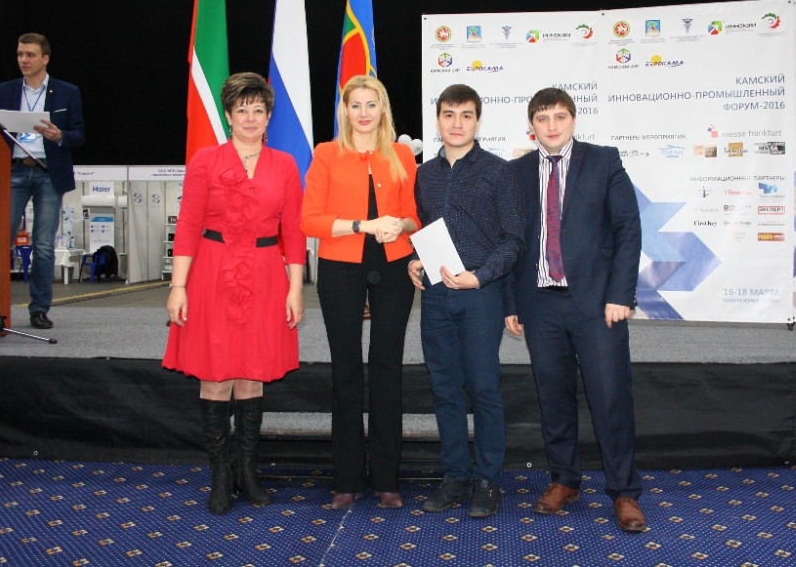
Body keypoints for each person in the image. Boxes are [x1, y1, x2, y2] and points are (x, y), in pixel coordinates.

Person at [504, 87, 646, 532]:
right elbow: (512, 241)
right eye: (542, 118)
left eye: (559, 117)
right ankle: (565, 479)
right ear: (532, 126)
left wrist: (621, 294)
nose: (551, 126)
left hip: (598, 305)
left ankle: (624, 491)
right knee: (554, 398)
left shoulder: (603, 161)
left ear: (573, 119)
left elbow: (628, 229)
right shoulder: (516, 172)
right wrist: (512, 302)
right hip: (540, 304)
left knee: (610, 399)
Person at [164, 72, 306, 515]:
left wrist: (295, 288)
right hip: (211, 273)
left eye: (258, 110)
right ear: (228, 115)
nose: (250, 118)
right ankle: (220, 475)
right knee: (215, 373)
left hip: (265, 275)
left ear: (268, 117)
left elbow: (294, 233)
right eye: (241, 110)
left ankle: (247, 470)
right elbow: (188, 225)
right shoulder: (205, 161)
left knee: (252, 372)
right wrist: (178, 286)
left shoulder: (285, 165)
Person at [301, 75, 419, 510]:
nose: (364, 113)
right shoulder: (326, 153)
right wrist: (362, 225)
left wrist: (400, 224)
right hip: (340, 269)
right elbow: (309, 220)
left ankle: (387, 478)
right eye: (356, 105)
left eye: (372, 104)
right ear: (345, 111)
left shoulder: (402, 154)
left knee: (387, 369)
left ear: (383, 109)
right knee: (346, 370)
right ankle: (347, 478)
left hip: (393, 268)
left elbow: (415, 217)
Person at [408, 84, 525, 518]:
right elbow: (425, 228)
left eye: (466, 115)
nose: (457, 123)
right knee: (444, 389)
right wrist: (416, 260)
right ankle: (455, 477)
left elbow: (513, 240)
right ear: (438, 119)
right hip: (437, 297)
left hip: (481, 295)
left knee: (483, 388)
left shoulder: (499, 172)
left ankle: (488, 481)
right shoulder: (424, 174)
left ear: (478, 121)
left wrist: (479, 277)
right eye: (449, 114)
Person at [0, 33, 84, 329]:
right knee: (1, 240)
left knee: (43, 245)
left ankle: (39, 309)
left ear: (45, 58)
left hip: (48, 173)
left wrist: (59, 136)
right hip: (14, 170)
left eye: (30, 55)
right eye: (20, 54)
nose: (24, 60)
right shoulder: (6, 90)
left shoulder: (67, 91)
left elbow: (79, 135)